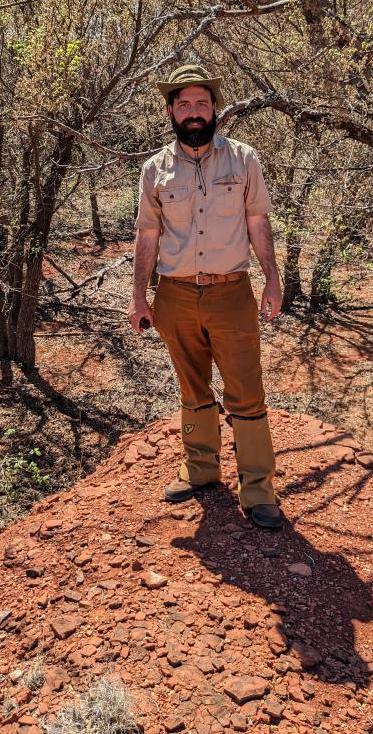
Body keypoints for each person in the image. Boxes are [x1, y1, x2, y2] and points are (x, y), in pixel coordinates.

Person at [129, 62, 284, 529]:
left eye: (201, 102)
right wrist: (139, 296)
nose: (193, 112)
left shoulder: (243, 159)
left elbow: (257, 221)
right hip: (174, 295)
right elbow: (147, 233)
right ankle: (201, 469)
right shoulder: (154, 170)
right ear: (171, 111)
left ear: (215, 107)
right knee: (192, 386)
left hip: (231, 292)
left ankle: (257, 489)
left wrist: (272, 278)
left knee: (246, 392)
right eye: (184, 104)